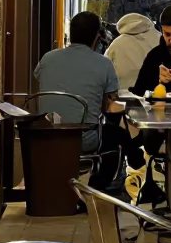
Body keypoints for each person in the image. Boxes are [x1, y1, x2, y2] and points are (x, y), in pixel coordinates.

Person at [34, 11, 124, 152]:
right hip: (83, 141)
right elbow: (108, 105)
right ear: (96, 37)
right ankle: (101, 173)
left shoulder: (48, 58)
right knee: (116, 133)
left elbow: (39, 79)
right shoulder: (104, 64)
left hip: (46, 137)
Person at [134, 3, 171, 95]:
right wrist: (157, 81)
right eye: (167, 34)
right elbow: (140, 92)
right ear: (161, 32)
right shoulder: (154, 56)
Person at [104, 12, 160, 91]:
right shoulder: (159, 38)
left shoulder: (116, 44)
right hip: (154, 95)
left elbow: (105, 72)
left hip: (122, 96)